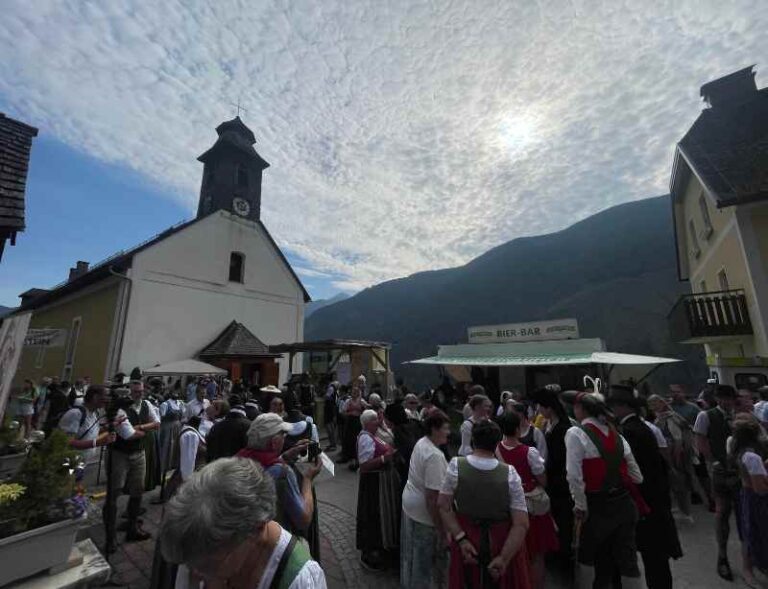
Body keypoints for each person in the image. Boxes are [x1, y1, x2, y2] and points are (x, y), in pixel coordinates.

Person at [158, 457, 326, 589]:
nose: (195, 572)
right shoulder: (199, 548)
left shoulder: (299, 581)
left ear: (257, 529)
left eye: (210, 565)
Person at [561, 390, 644, 589]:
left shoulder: (576, 433)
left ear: (580, 409)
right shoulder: (617, 435)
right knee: (628, 561)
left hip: (596, 506)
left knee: (587, 557)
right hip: (624, 505)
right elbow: (637, 477)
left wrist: (580, 505)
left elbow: (574, 476)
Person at [438, 420, 531, 589]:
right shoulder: (510, 473)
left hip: (468, 536)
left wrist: (461, 539)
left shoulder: (456, 465)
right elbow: (521, 523)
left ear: (473, 440)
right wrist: (504, 558)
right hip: (501, 539)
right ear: (497, 443)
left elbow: (444, 506)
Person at [608, 386, 682, 589]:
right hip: (655, 499)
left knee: (650, 554)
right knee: (656, 557)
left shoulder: (629, 432)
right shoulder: (644, 427)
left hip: (644, 501)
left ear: (622, 407)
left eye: (613, 406)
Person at [237, 413, 322, 546]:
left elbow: (264, 467)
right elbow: (304, 520)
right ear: (274, 442)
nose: (285, 438)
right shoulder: (283, 473)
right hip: (275, 545)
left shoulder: (239, 460)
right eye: (283, 434)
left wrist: (285, 456)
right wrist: (308, 479)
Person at [496, 412, 558, 589]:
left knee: (512, 552)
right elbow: (543, 480)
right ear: (517, 430)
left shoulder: (494, 451)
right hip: (531, 508)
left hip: (507, 507)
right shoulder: (529, 452)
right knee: (537, 554)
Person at [694, 384, 741, 581]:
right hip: (720, 471)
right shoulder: (706, 416)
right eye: (722, 398)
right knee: (722, 514)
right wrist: (713, 461)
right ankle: (722, 557)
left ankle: (752, 554)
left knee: (745, 513)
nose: (726, 402)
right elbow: (700, 440)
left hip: (740, 471)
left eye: (729, 398)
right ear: (717, 398)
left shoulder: (739, 415)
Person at [400, 411, 450, 589]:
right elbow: (432, 498)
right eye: (445, 428)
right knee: (423, 563)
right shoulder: (434, 456)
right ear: (434, 429)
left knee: (411, 557)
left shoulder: (422, 442)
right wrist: (441, 528)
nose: (448, 432)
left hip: (411, 505)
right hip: (423, 514)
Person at [530, 386, 574, 579]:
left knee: (563, 522)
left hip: (561, 482)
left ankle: (564, 558)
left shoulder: (563, 428)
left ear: (549, 408)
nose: (538, 410)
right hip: (553, 480)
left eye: (540, 406)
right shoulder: (550, 425)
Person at [104, 387, 154, 551]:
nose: (137, 394)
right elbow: (129, 435)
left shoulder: (146, 405)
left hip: (138, 453)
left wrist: (140, 429)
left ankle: (132, 528)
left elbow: (157, 423)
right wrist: (142, 431)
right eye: (133, 392)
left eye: (140, 391)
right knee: (113, 493)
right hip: (119, 454)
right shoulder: (118, 411)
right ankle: (110, 538)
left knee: (137, 490)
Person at [356, 409, 401, 571]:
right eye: (375, 420)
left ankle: (380, 548)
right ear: (367, 423)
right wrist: (384, 458)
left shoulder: (373, 436)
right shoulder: (365, 439)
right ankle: (370, 553)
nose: (378, 422)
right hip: (373, 484)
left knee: (378, 516)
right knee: (372, 516)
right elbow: (364, 466)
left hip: (379, 482)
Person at [730, 414, 768, 585]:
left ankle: (753, 567)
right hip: (757, 500)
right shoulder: (753, 457)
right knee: (758, 534)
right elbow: (760, 489)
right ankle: (756, 566)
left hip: (746, 494)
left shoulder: (740, 451)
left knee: (749, 532)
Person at [649, 394, 698, 522]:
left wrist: (675, 459)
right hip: (669, 452)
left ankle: (686, 511)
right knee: (675, 483)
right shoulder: (662, 417)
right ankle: (682, 509)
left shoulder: (670, 418)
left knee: (680, 483)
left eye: (655, 403)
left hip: (675, 454)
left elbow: (677, 439)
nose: (653, 407)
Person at [58, 385, 116, 486]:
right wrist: (96, 443)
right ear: (95, 397)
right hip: (68, 461)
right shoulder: (76, 414)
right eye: (105, 396)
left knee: (76, 484)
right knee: (65, 485)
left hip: (81, 461)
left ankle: (75, 497)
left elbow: (91, 433)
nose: (107, 399)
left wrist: (111, 426)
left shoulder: (94, 413)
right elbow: (67, 441)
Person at [206, 396, 251, 461]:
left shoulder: (216, 426)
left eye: (215, 406)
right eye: (212, 403)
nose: (211, 406)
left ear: (218, 413)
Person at [158, 390, 185, 478]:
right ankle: (164, 466)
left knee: (176, 446)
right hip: (167, 428)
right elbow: (160, 418)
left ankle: (173, 465)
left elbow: (183, 416)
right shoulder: (165, 404)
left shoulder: (180, 403)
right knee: (167, 446)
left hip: (178, 427)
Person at [459, 391, 492, 457]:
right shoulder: (467, 425)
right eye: (486, 406)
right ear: (477, 407)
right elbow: (466, 447)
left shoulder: (489, 422)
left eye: (489, 406)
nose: (488, 409)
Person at [340, 384, 366, 467]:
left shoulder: (361, 401)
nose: (354, 393)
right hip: (350, 421)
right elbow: (342, 411)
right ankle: (346, 457)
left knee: (357, 439)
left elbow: (367, 407)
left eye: (356, 391)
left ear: (358, 393)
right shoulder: (348, 401)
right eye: (353, 391)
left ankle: (356, 458)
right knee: (348, 439)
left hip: (358, 422)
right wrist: (349, 413)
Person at [323, 376, 340, 452]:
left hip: (329, 410)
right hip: (332, 410)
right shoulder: (335, 390)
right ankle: (332, 444)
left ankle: (333, 444)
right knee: (331, 428)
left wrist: (325, 397)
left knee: (329, 428)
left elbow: (326, 397)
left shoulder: (331, 388)